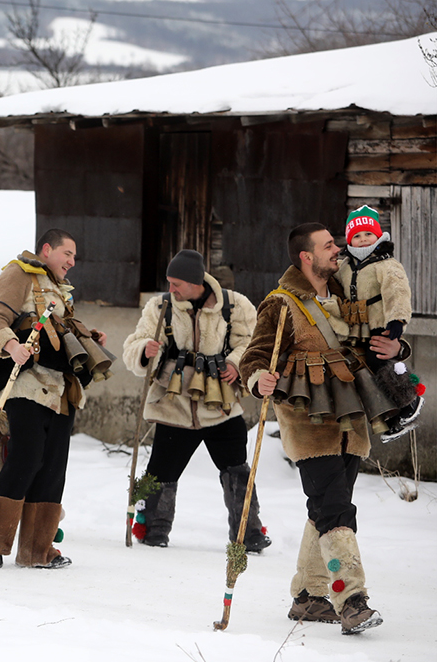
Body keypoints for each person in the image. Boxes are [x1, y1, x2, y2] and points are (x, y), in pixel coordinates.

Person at [240, 222, 409, 635]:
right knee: (336, 510)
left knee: (325, 510)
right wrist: (258, 376)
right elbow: (254, 356)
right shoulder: (280, 305)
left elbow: (376, 337)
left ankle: (307, 597)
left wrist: (397, 347)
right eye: (329, 245)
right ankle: (350, 598)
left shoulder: (346, 293)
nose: (338, 250)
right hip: (308, 425)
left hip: (350, 423)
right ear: (306, 256)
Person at [0, 229, 109, 569]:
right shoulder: (19, 273)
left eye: (75, 257)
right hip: (27, 386)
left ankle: (38, 552)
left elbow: (58, 334)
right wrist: (11, 345)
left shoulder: (60, 289)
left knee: (52, 470)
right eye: (68, 253)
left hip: (63, 391)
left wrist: (89, 338)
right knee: (26, 459)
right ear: (46, 249)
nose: (72, 262)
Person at [121, 249, 269, 551]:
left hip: (220, 406)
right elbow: (134, 343)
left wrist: (236, 364)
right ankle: (152, 530)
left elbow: (251, 344)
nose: (171, 289)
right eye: (169, 282)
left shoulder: (236, 305)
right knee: (160, 472)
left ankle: (248, 532)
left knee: (237, 469)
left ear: (196, 281)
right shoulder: (160, 306)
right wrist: (144, 351)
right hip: (173, 405)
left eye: (176, 283)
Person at [335, 206, 422, 441]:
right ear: (349, 238)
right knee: (363, 372)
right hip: (353, 329)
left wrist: (397, 319)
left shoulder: (387, 264)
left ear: (378, 235)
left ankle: (409, 400)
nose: (363, 240)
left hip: (378, 325)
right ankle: (389, 416)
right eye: (357, 236)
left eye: (368, 235)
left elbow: (398, 293)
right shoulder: (344, 266)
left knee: (378, 360)